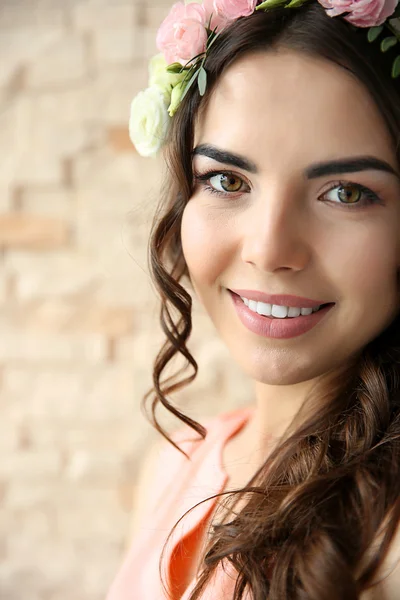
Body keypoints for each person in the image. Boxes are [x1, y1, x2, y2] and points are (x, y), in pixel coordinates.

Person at [107, 1, 400, 598]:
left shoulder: (387, 541)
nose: (269, 250)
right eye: (228, 180)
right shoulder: (177, 461)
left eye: (344, 192)